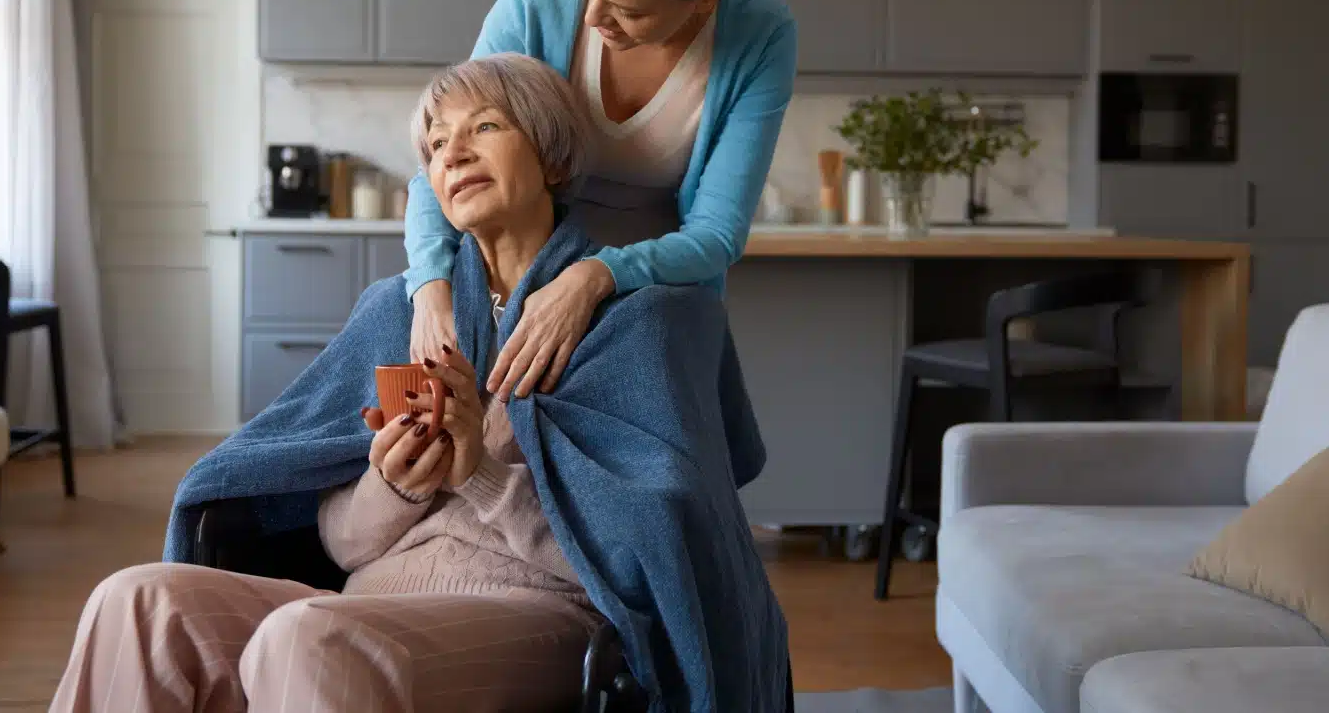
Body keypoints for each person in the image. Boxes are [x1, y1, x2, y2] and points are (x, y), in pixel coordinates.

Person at [52, 54, 788, 712]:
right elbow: (342, 548)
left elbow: (645, 562)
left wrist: (479, 474)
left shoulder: (642, 320)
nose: (453, 153)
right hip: (364, 603)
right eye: (435, 145)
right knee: (139, 600)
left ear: (551, 154)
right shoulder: (399, 315)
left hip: (543, 611)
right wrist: (396, 485)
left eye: (485, 127)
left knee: (311, 638)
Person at [403, 0, 798, 401]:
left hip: (655, 297)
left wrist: (593, 277)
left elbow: (716, 235)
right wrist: (428, 287)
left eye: (627, 10)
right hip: (522, 274)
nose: (591, 17)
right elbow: (441, 156)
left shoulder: (761, 33)